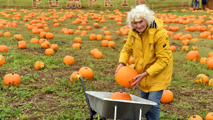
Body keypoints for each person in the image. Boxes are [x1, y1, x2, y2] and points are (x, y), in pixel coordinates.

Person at [114, 4, 173, 120]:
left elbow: (163, 60)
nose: (138, 25)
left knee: (152, 104)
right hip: (142, 72)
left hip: (158, 72)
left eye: (141, 22)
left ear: (147, 19)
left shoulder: (159, 34)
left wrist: (146, 74)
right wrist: (121, 63)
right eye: (135, 23)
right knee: (144, 103)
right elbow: (126, 49)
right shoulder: (133, 32)